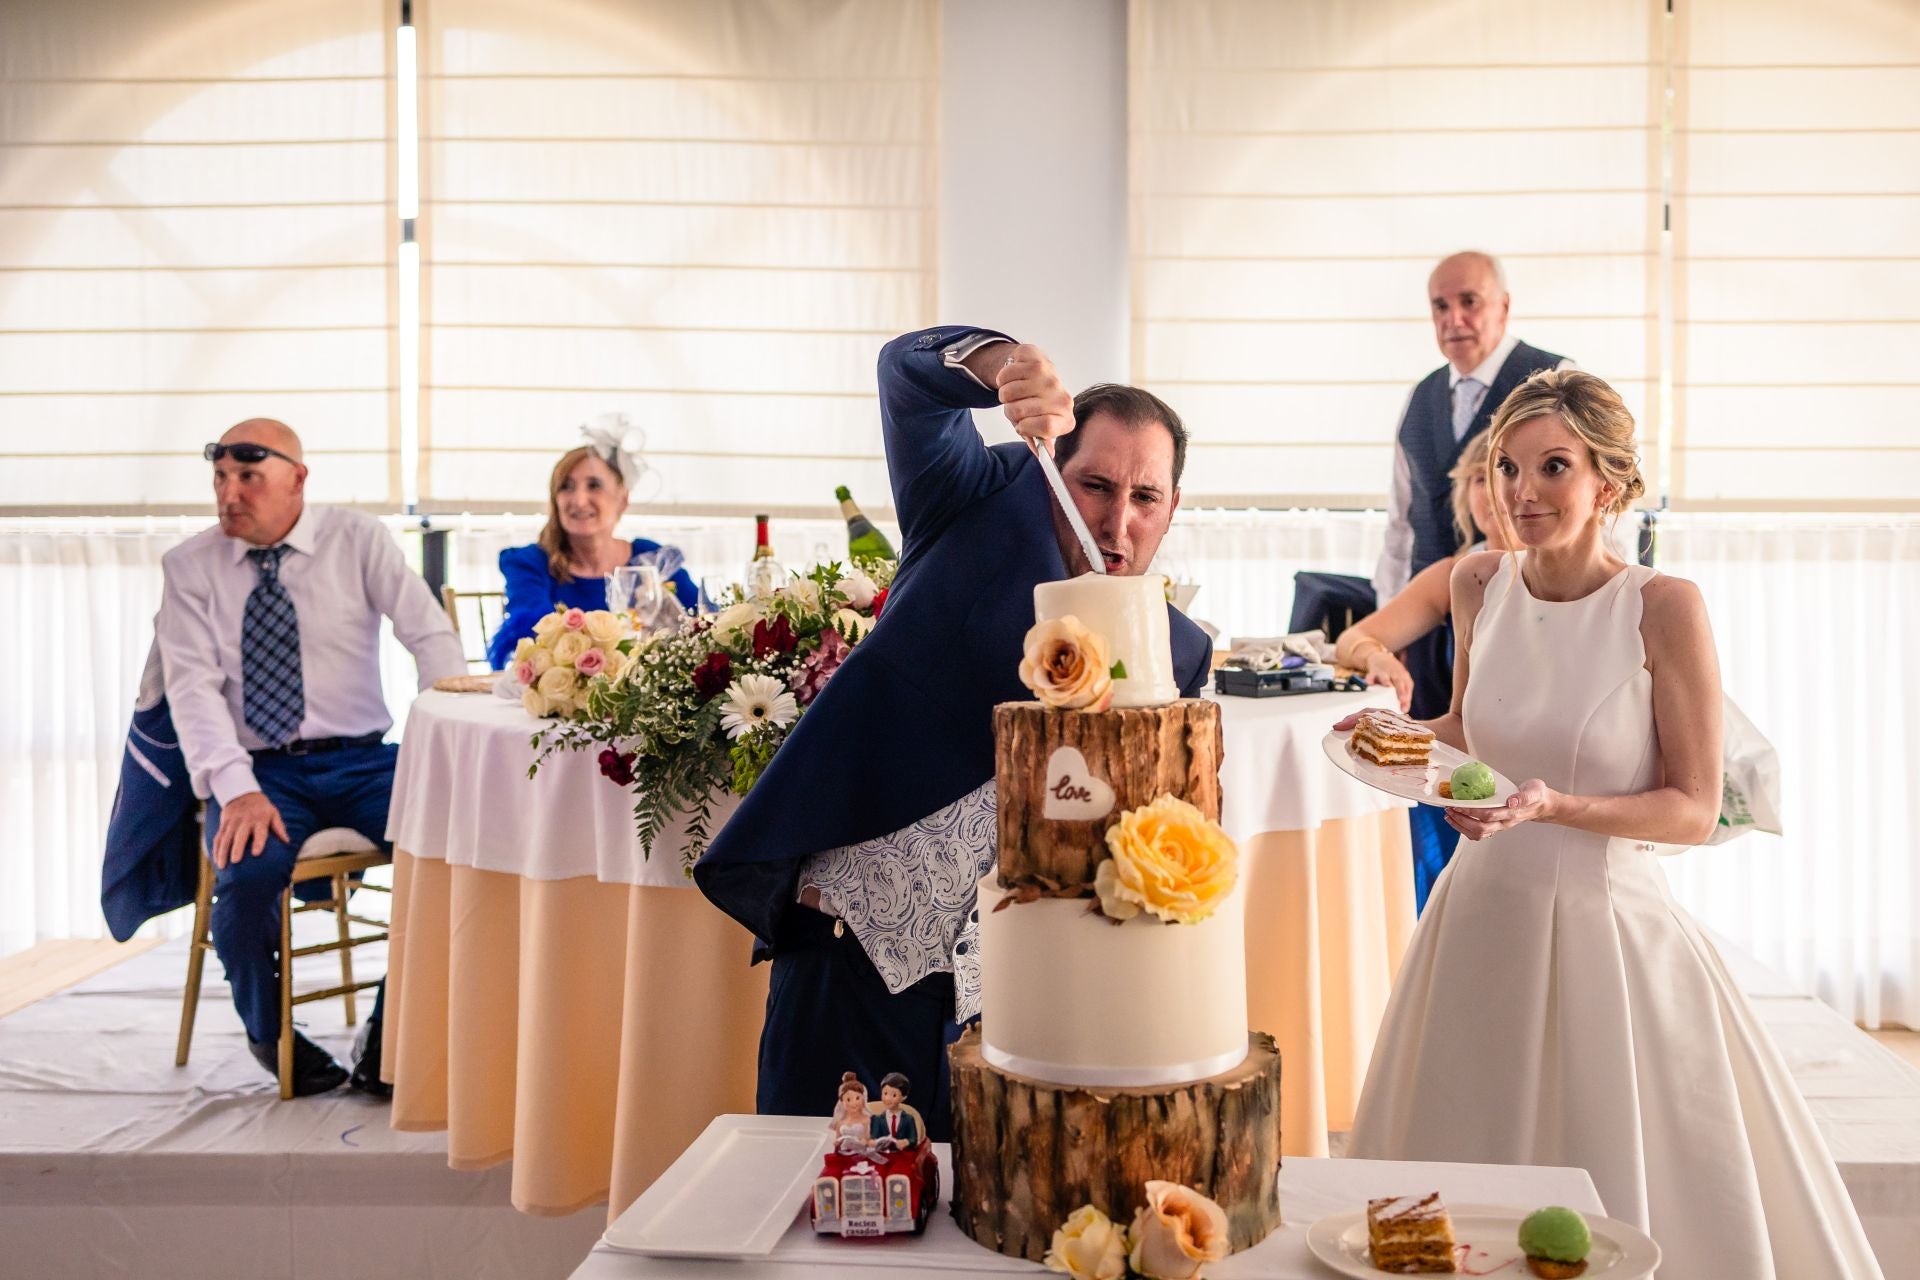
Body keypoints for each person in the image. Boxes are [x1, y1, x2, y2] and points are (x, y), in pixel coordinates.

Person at [1345, 371, 1882, 1278]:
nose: (1523, 492)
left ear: (1610, 482)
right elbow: (1472, 729)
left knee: (1626, 1182)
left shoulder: (1665, 607)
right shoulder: (1479, 583)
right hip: (1479, 921)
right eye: (1509, 467)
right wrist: (1383, 738)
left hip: (1610, 931)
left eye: (1554, 466)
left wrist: (1559, 806)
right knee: (1455, 1163)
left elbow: (1691, 804)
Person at [695, 326, 1212, 1142]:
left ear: (1172, 509)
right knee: (816, 1240)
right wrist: (1004, 363)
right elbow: (906, 377)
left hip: (1018, 1013)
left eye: (1145, 498)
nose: (1119, 521)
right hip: (853, 961)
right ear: (1048, 468)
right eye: (1095, 485)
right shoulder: (969, 501)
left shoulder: (1181, 655)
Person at [156, 419, 465, 1095]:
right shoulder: (189, 567)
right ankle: (272, 1038)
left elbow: (429, 637)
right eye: (220, 478)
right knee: (243, 880)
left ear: (298, 478)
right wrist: (234, 788)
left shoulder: (357, 539)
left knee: (451, 856)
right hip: (257, 773)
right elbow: (192, 688)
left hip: (365, 761)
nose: (229, 493)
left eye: (248, 477)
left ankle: (392, 1031)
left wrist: (438, 745)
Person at [1373, 251, 1569, 720]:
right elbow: (1401, 525)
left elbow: (1601, 516)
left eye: (1469, 302)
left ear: (1503, 306)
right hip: (1429, 633)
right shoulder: (1419, 398)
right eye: (1440, 306)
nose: (1453, 318)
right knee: (1432, 767)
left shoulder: (1558, 381)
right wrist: (1394, 629)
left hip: (1529, 624)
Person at [1336, 432, 1507, 909]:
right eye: (1478, 477)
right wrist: (1378, 656)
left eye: (1504, 472)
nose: (1492, 490)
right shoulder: (1456, 573)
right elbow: (1354, 639)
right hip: (1460, 766)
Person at [485, 436, 699, 670]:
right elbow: (536, 638)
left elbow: (704, 627)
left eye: (594, 485)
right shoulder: (531, 564)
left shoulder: (652, 560)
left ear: (623, 499)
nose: (579, 500)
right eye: (566, 487)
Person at [868, 1072, 921, 1148]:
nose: (888, 1099)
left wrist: (906, 1142)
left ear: (904, 1097)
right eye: (885, 1093)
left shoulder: (909, 1119)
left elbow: (913, 1140)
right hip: (884, 1153)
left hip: (902, 1155)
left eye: (894, 1095)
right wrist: (872, 1142)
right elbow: (874, 1137)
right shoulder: (878, 1119)